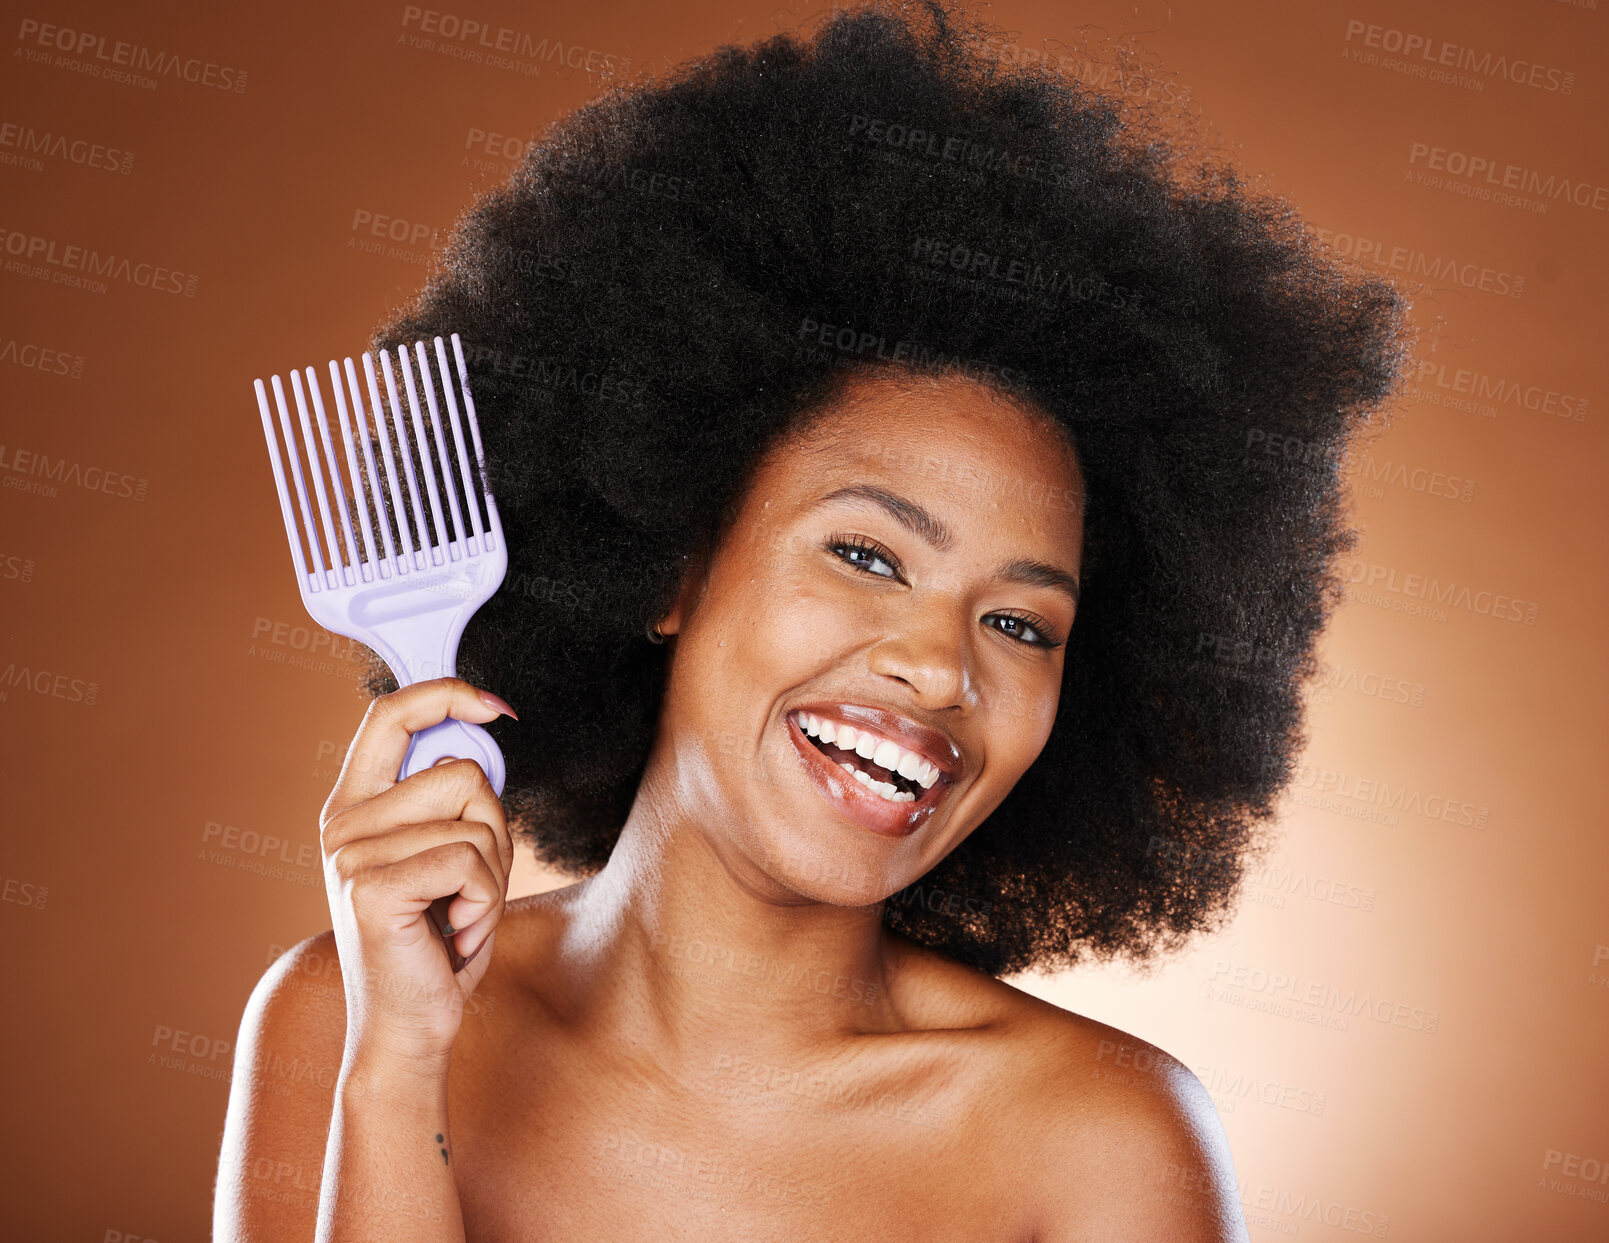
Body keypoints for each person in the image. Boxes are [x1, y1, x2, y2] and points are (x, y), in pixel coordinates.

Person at [215, 2, 1408, 1238]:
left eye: (1020, 624)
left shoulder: (1098, 1144)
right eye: (863, 552)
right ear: (667, 564)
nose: (938, 667)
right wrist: (401, 1063)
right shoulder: (340, 1017)